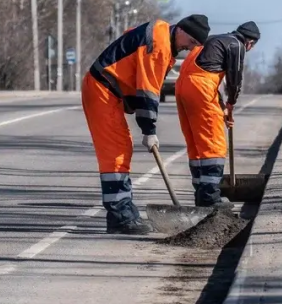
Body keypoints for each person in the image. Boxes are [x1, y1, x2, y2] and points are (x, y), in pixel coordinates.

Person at [82, 14, 211, 235]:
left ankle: (124, 212)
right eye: (190, 43)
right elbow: (148, 92)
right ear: (181, 30)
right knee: (116, 153)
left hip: (108, 91)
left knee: (122, 149)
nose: (190, 49)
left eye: (194, 46)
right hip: (102, 90)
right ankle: (120, 217)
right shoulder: (159, 46)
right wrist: (149, 130)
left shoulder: (162, 36)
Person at [175, 21, 260, 207]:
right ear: (250, 42)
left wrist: (222, 106)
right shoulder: (237, 45)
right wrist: (231, 103)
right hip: (201, 87)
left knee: (197, 145)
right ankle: (210, 197)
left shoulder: (215, 40)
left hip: (182, 87)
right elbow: (235, 78)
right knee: (214, 145)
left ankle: (200, 194)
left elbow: (207, 76)